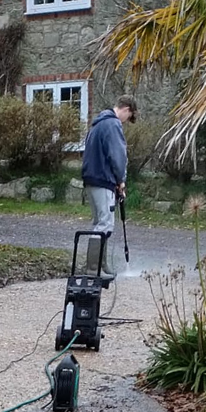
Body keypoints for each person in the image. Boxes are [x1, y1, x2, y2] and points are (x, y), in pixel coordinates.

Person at [81, 95, 137, 278]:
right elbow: (118, 156)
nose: (127, 121)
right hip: (103, 180)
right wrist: (121, 180)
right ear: (127, 109)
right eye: (129, 117)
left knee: (99, 222)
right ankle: (93, 269)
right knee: (105, 223)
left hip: (91, 179)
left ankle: (101, 267)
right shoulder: (112, 124)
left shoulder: (98, 124)